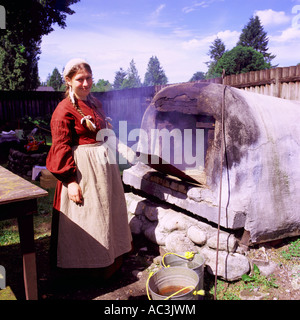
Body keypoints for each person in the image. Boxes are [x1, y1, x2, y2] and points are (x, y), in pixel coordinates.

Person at [46, 58, 132, 277]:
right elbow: (61, 146)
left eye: (88, 78)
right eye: (80, 79)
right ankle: (87, 268)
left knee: (107, 212)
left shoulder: (94, 104)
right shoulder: (63, 110)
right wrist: (70, 181)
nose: (85, 83)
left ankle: (110, 257)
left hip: (103, 170)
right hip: (83, 171)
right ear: (68, 81)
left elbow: (102, 131)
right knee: (89, 215)